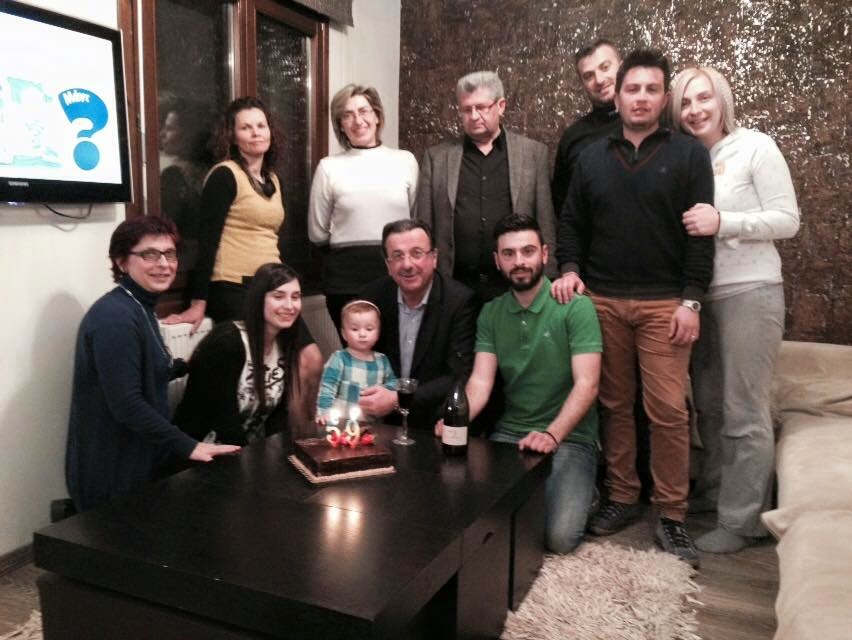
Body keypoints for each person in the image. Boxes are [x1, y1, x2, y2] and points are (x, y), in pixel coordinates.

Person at [555, 49, 715, 567]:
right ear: (619, 96)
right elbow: (571, 223)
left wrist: (692, 299)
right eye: (632, 89)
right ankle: (623, 496)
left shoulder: (689, 155)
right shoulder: (591, 156)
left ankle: (671, 513)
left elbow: (700, 236)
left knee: (667, 411)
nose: (640, 98)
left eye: (651, 89)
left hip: (666, 304)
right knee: (614, 404)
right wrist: (570, 268)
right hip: (601, 301)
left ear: (663, 98)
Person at [671, 67, 800, 553]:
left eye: (704, 98)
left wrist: (723, 221)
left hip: (751, 291)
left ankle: (743, 521)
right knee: (708, 404)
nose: (695, 110)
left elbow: (788, 220)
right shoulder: (686, 159)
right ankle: (714, 494)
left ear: (722, 99)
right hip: (699, 298)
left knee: (744, 409)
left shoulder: (755, 147)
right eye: (685, 102)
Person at [437, 214, 602, 553]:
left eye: (527, 251)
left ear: (544, 254)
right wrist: (457, 421)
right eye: (509, 254)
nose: (519, 261)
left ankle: (589, 493)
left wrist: (551, 435)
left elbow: (588, 384)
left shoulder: (576, 307)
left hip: (570, 438)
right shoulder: (491, 312)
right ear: (497, 261)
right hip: (510, 434)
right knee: (480, 522)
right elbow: (480, 382)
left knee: (558, 539)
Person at [65, 217, 240, 513]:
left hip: (138, 459)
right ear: (122, 262)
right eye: (150, 254)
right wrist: (189, 446)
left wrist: (189, 365)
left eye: (169, 254)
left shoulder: (139, 307)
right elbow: (127, 405)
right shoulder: (115, 318)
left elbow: (146, 370)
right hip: (111, 472)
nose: (163, 264)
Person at [416, 71, 557, 308]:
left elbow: (546, 221)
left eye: (481, 107)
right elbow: (424, 224)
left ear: (501, 106)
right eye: (466, 109)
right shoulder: (437, 158)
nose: (473, 116)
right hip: (453, 285)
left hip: (515, 285)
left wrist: (549, 277)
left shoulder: (533, 154)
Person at [164, 97, 290, 328]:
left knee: (307, 350)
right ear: (232, 136)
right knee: (252, 349)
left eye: (261, 125)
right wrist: (198, 302)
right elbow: (207, 241)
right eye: (246, 127)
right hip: (233, 286)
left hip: (273, 284)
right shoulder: (224, 175)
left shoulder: (274, 179)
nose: (256, 133)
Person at [308, 84, 419, 330]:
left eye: (363, 111)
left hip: (397, 275)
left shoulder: (405, 161)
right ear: (341, 125)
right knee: (355, 350)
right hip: (346, 280)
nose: (357, 121)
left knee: (397, 347)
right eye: (347, 115)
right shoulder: (328, 167)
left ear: (377, 115)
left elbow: (414, 218)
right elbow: (317, 232)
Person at [174, 263, 322, 445]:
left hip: (245, 449)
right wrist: (253, 458)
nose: (289, 306)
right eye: (278, 296)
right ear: (259, 299)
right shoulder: (228, 341)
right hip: (201, 450)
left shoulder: (285, 341)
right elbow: (223, 420)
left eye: (296, 297)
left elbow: (277, 417)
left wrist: (280, 453)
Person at [359, 219, 477, 429]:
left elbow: (457, 375)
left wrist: (398, 399)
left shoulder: (459, 301)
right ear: (388, 265)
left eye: (416, 253)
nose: (407, 264)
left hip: (434, 420)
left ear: (434, 257)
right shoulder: (372, 297)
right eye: (397, 256)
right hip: (383, 422)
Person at [551, 39, 622, 215]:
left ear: (622, 67)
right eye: (589, 76)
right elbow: (563, 208)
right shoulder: (573, 138)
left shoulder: (652, 121)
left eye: (605, 67)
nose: (599, 80)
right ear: (582, 83)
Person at [315, 300, 397, 423]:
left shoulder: (382, 360)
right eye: (354, 329)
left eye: (369, 329)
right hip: (342, 423)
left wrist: (385, 389)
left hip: (374, 425)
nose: (362, 334)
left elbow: (393, 383)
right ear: (344, 334)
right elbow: (327, 387)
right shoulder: (339, 358)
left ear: (378, 333)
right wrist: (323, 412)